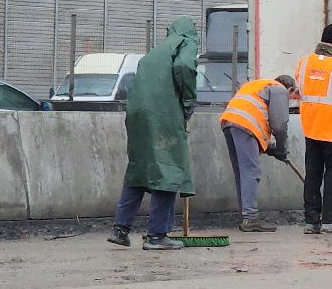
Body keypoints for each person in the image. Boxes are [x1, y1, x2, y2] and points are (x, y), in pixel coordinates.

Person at [108, 16, 199, 251]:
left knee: (139, 170)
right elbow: (185, 66)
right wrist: (188, 100)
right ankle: (157, 235)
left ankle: (120, 229)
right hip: (163, 115)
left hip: (138, 115)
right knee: (167, 170)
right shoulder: (185, 42)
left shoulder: (155, 52)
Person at [220, 74, 297, 232]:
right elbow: (280, 125)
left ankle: (246, 216)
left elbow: (256, 119)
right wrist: (282, 149)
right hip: (245, 125)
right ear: (290, 89)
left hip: (229, 122)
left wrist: (272, 149)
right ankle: (250, 218)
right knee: (250, 172)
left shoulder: (258, 85)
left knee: (242, 172)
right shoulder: (279, 90)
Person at [297, 23, 332, 235]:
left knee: (312, 173)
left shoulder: (304, 62)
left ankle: (311, 222)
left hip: (310, 126)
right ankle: (330, 220)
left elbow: (301, 89)